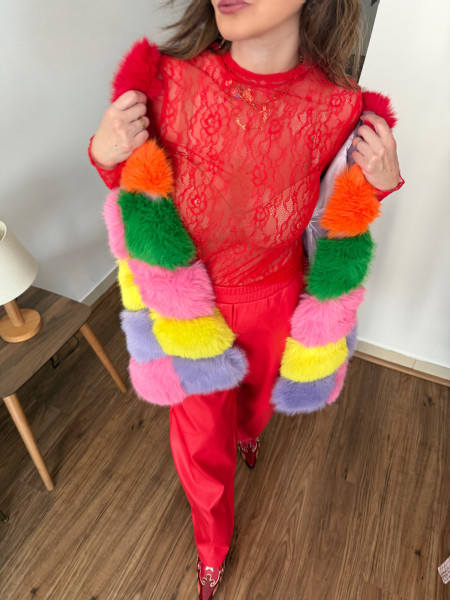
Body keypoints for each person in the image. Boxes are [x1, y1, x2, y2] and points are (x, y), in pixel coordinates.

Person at [89, 1, 403, 597]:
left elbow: (339, 210)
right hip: (191, 309)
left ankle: (249, 430)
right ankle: (212, 543)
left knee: (256, 405)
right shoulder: (166, 80)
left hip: (278, 297)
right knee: (199, 442)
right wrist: (104, 153)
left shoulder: (341, 107)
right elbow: (137, 191)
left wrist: (381, 184)